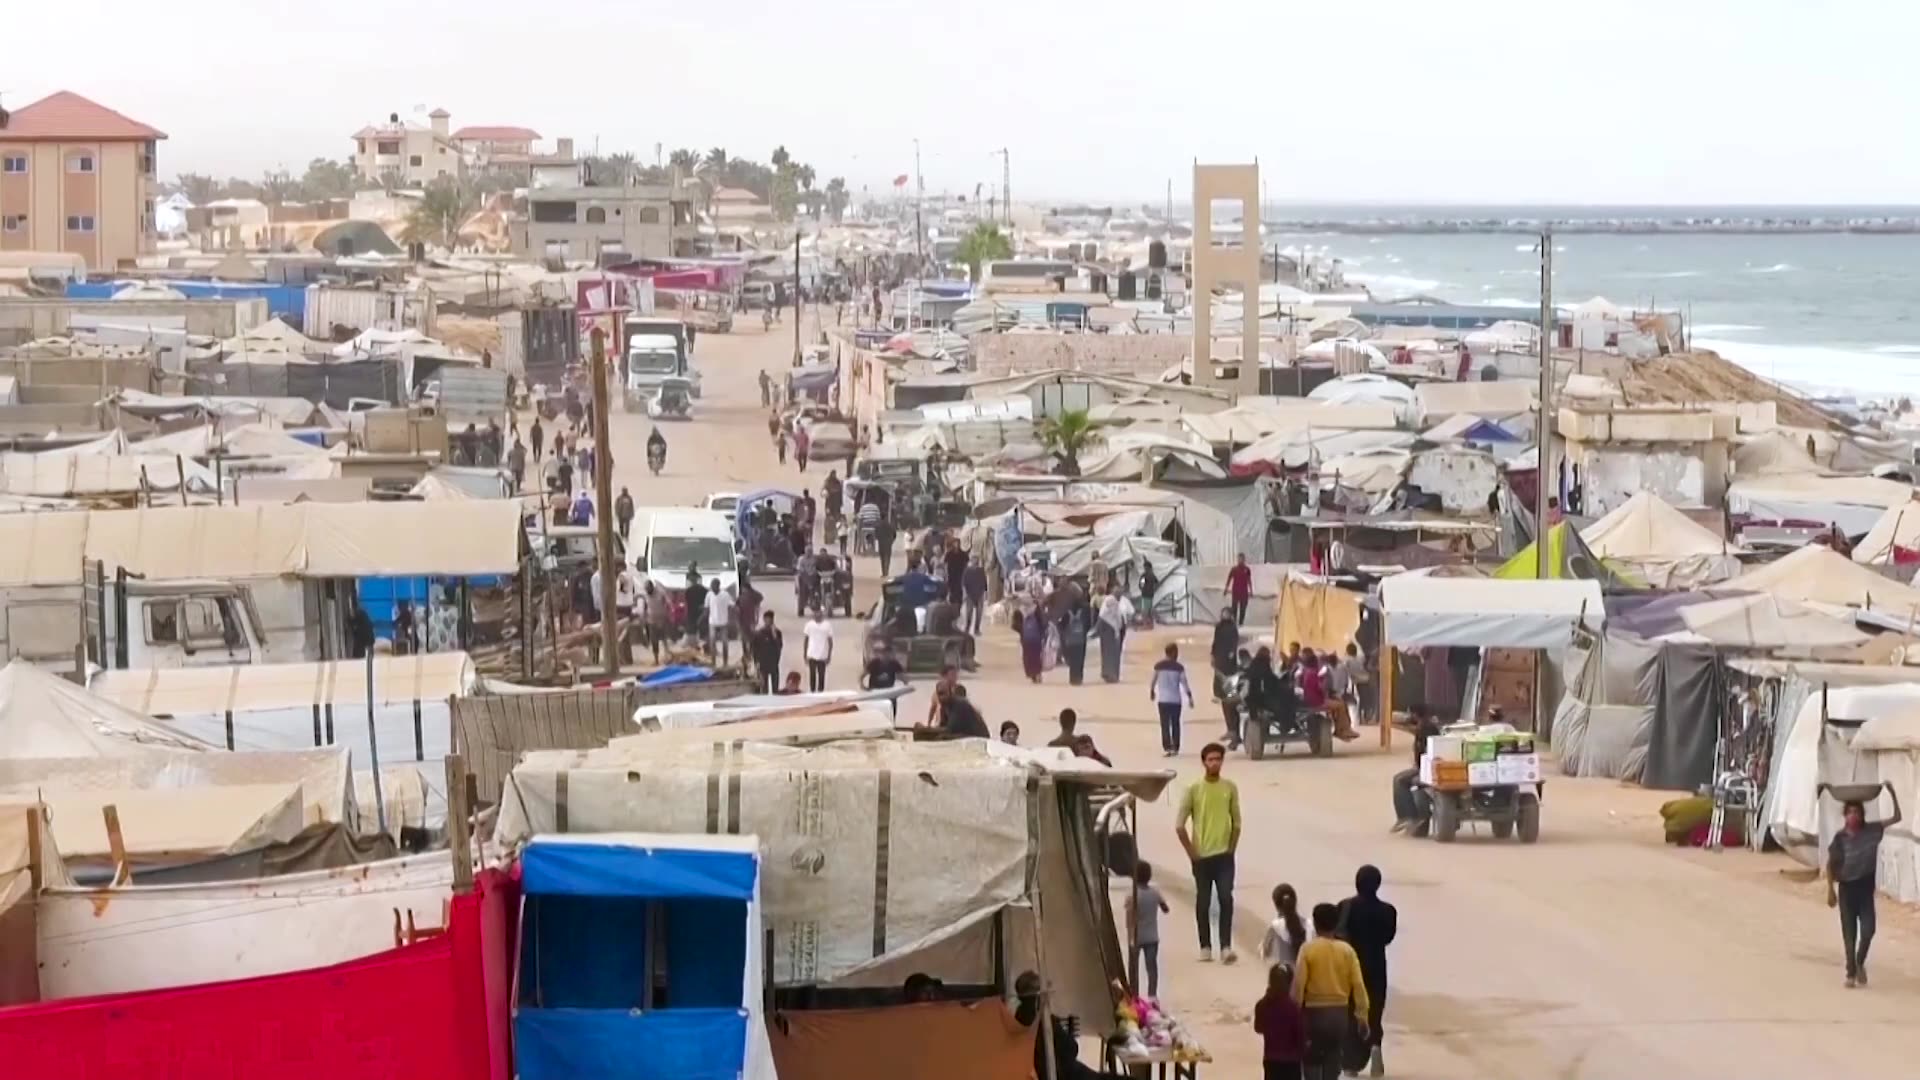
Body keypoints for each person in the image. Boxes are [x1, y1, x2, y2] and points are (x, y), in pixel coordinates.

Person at [1826, 781, 1902, 987]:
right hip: (1846, 889)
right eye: (1850, 812)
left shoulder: (1872, 831)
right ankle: (1850, 973)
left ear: (1862, 815)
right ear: (1845, 816)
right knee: (1849, 934)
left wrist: (1891, 793)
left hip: (1865, 889)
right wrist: (1830, 890)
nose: (1853, 816)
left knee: (1868, 930)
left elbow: (1897, 817)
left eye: (1857, 812)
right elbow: (1830, 864)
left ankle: (1859, 962)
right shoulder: (1840, 838)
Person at [1175, 743, 1241, 963]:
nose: (1214, 763)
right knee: (1203, 901)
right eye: (1210, 759)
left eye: (1218, 759)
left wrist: (1231, 848)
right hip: (1202, 856)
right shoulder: (1194, 789)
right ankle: (1205, 946)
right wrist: (1191, 852)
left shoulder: (1229, 788)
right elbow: (1179, 825)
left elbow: (1237, 821)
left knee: (1225, 898)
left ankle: (1226, 946)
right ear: (1203, 762)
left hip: (1224, 856)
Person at [1292, 904, 1369, 1080]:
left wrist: (1295, 1013)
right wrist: (1362, 1017)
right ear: (1336, 924)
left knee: (1311, 1058)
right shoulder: (1347, 951)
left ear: (1315, 924)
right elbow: (1358, 985)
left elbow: (1298, 985)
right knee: (1333, 1056)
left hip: (1314, 1014)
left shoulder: (1308, 949)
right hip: (1339, 1015)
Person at [1338, 866, 1398, 1076]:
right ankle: (1375, 1047)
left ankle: (1351, 1063)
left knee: (1351, 1012)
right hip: (1377, 966)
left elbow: (1338, 934)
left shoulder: (1345, 906)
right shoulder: (1388, 911)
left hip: (1352, 966)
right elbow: (1388, 938)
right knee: (1375, 1010)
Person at [1254, 961, 1309, 1080]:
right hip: (1291, 1061)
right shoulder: (1293, 1008)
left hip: (1271, 1060)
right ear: (1289, 983)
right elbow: (1300, 1036)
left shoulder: (1262, 1005)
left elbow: (1258, 1028)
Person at [1391, 706, 1442, 832]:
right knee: (1402, 778)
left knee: (1399, 780)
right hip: (1428, 767)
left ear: (1415, 714)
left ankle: (1407, 816)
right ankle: (1408, 817)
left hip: (1426, 769)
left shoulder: (1424, 729)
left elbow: (1423, 753)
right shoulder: (1429, 726)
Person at [1126, 861, 1171, 997]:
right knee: (1152, 968)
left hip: (1136, 937)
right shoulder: (1154, 893)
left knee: (1133, 969)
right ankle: (1152, 995)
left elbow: (1129, 918)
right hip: (1152, 937)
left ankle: (1134, 994)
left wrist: (1130, 936)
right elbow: (1166, 909)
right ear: (1150, 876)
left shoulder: (1132, 895)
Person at [1151, 644, 1197, 757]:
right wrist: (1190, 697)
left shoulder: (1158, 666)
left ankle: (1167, 747)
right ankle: (1175, 747)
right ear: (1173, 653)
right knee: (1175, 724)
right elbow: (1185, 683)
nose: (1177, 655)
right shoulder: (1179, 668)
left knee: (1165, 724)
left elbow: (1153, 680)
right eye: (1176, 652)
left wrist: (1152, 692)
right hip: (1176, 700)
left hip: (1163, 700)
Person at [1262, 884, 1306, 972]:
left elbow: (1265, 952)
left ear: (1276, 905)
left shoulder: (1275, 925)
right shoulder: (1308, 924)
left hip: (1282, 974)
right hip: (1304, 973)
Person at [1097, 584, 1134, 683]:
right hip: (1109, 628)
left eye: (1120, 593)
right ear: (1113, 592)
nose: (1119, 595)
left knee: (1112, 652)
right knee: (1111, 652)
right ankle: (1111, 675)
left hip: (1112, 628)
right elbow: (1113, 617)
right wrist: (1117, 631)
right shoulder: (1111, 600)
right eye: (1117, 593)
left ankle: (1109, 674)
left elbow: (1129, 613)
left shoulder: (1119, 601)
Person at [861, 641, 907, 716]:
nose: (887, 657)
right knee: (875, 710)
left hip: (888, 691)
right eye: (886, 654)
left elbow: (903, 677)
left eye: (890, 654)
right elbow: (863, 675)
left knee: (892, 708)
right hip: (875, 691)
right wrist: (863, 686)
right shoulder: (874, 663)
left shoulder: (894, 664)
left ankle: (891, 719)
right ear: (883, 654)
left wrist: (903, 689)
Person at [1059, 596, 1094, 686]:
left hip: (1070, 639)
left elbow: (1061, 625)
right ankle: (1079, 677)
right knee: (1080, 659)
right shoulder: (1085, 610)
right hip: (1081, 639)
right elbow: (1089, 624)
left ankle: (1073, 678)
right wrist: (1084, 632)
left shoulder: (1067, 611)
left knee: (1072, 660)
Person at [749, 612, 783, 694]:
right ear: (764, 620)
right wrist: (756, 661)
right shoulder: (759, 633)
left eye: (770, 620)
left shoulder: (777, 633)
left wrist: (775, 636)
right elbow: (754, 648)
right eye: (767, 619)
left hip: (774, 663)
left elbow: (779, 646)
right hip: (763, 664)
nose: (769, 622)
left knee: (775, 689)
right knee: (764, 689)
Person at [800, 607, 833, 692]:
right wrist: (805, 654)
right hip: (811, 654)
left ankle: (820, 692)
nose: (817, 614)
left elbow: (830, 642)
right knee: (812, 675)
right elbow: (806, 640)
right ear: (814, 614)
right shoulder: (809, 625)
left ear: (822, 614)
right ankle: (812, 691)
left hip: (823, 655)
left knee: (821, 676)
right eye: (816, 613)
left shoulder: (827, 625)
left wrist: (829, 656)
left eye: (819, 613)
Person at [707, 580, 735, 664]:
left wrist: (730, 617)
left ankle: (725, 662)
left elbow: (732, 605)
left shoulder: (725, 595)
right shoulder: (709, 595)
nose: (712, 587)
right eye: (711, 586)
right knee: (712, 642)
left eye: (713, 585)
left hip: (723, 622)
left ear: (718, 586)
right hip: (712, 622)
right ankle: (713, 662)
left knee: (725, 642)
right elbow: (706, 607)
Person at [1019, 607, 1048, 684]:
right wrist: (1044, 637)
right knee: (1036, 658)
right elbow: (1043, 627)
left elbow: (1021, 631)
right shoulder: (1038, 616)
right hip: (1036, 640)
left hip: (1026, 640)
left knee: (1029, 658)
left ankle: (1033, 675)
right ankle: (1037, 674)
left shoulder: (1025, 618)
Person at [961, 559, 988, 636]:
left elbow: (984, 582)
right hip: (970, 594)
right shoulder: (967, 571)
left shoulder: (981, 570)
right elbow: (963, 583)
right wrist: (965, 594)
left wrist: (985, 593)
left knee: (979, 613)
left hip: (980, 594)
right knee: (969, 613)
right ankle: (967, 628)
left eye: (976, 561)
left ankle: (976, 629)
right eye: (973, 560)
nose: (975, 562)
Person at [1227, 554, 1254, 625]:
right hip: (1236, 591)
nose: (1240, 560)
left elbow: (1249, 580)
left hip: (1244, 592)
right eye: (1239, 559)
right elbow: (1229, 579)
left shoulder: (1247, 569)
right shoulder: (1234, 569)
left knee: (1243, 608)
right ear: (1237, 560)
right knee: (1234, 608)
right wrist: (1226, 589)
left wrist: (1251, 591)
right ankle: (1234, 621)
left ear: (1244, 560)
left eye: (1242, 559)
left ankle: (1241, 622)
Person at [684, 570, 708, 643]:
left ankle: (693, 643)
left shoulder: (688, 591)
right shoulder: (704, 590)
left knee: (692, 632)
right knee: (702, 631)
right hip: (701, 612)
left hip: (692, 613)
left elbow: (687, 602)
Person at [943, 542, 968, 606]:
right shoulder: (949, 553)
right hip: (951, 574)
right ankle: (952, 603)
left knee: (959, 589)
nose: (956, 545)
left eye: (958, 543)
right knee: (951, 589)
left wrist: (965, 573)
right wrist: (946, 573)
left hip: (960, 573)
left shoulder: (963, 553)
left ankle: (959, 604)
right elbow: (945, 564)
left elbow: (966, 564)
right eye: (955, 543)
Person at [1138, 562, 1159, 627]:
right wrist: (1153, 589)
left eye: (1145, 567)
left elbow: (1141, 585)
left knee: (1145, 610)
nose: (1145, 569)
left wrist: (1143, 589)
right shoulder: (1152, 575)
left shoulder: (1145, 575)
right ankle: (1150, 624)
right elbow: (1157, 583)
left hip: (1146, 594)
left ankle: (1145, 624)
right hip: (1150, 594)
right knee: (1149, 609)